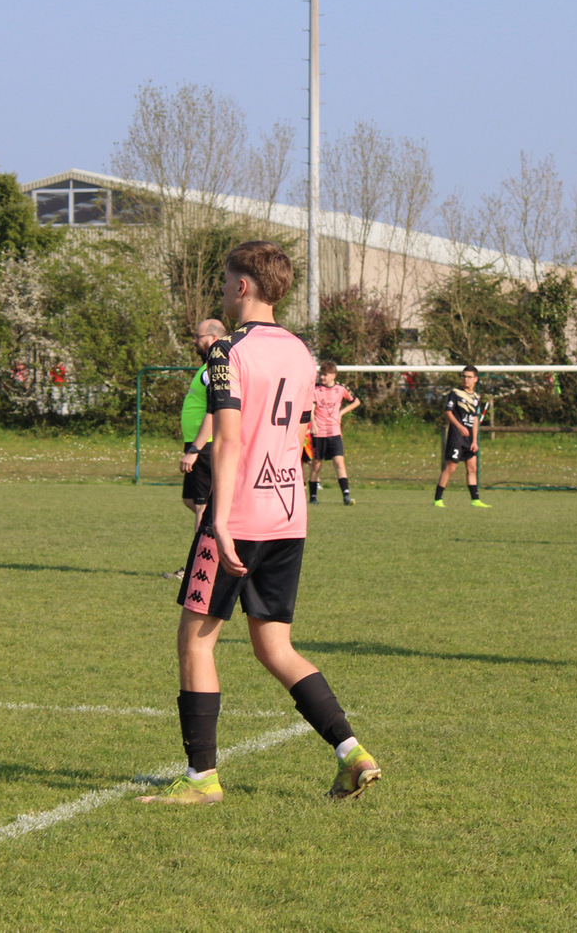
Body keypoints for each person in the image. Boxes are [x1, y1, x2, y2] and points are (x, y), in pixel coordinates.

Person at [141, 241, 379, 806]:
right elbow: (298, 433)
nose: (223, 291)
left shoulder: (228, 350)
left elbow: (228, 439)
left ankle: (201, 780)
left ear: (243, 287)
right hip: (288, 514)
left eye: (226, 282)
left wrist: (219, 520)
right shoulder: (300, 352)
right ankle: (353, 753)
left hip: (240, 516)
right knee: (275, 647)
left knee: (195, 641)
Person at [166, 319, 227, 581]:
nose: (194, 340)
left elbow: (214, 412)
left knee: (203, 508)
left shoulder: (213, 369)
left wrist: (195, 449)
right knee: (192, 501)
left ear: (212, 339)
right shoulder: (207, 367)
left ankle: (197, 570)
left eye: (198, 336)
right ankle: (222, 537)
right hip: (200, 446)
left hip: (205, 447)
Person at [434, 366, 489, 508]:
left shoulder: (476, 397)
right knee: (451, 467)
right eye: (464, 376)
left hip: (469, 439)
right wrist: (459, 427)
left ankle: (475, 500)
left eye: (469, 377)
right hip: (456, 437)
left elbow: (475, 420)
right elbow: (448, 412)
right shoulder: (455, 393)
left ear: (475, 379)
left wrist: (475, 440)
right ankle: (438, 499)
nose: (466, 379)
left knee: (472, 467)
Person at [308, 361, 361, 505]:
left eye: (325, 375)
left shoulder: (341, 389)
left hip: (334, 432)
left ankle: (346, 496)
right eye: (321, 374)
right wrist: (313, 423)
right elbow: (311, 408)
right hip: (319, 432)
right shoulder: (316, 390)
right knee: (316, 465)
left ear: (333, 375)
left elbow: (356, 402)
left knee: (339, 462)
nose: (322, 377)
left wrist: (341, 413)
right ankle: (313, 497)